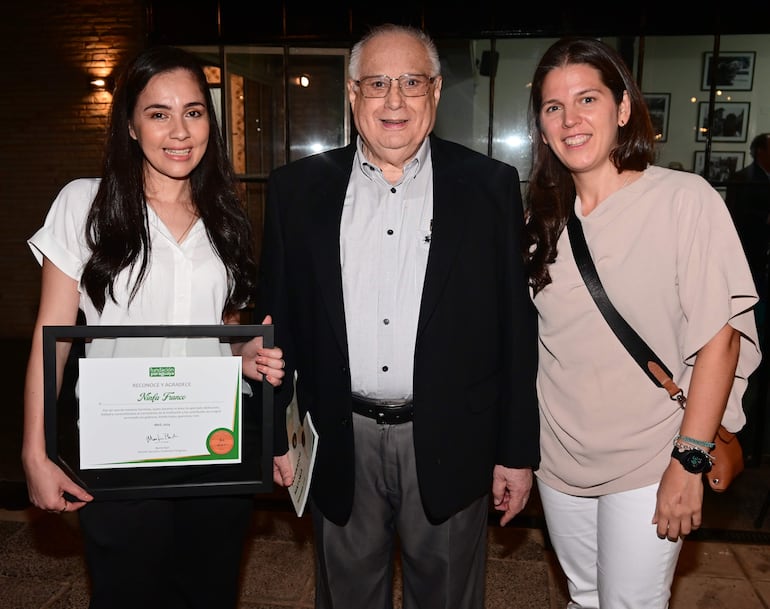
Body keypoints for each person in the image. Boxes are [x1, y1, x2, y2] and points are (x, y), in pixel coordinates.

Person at [260, 23, 539, 609]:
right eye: (377, 84)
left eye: (411, 82)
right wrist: (273, 436)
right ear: (353, 94)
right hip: (337, 438)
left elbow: (516, 331)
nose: (394, 101)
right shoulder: (295, 192)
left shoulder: (489, 187)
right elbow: (276, 326)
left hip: (451, 439)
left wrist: (515, 452)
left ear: (435, 93)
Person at [22, 45, 286, 609]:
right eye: (158, 113)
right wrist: (35, 452)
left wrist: (243, 357)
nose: (180, 131)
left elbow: (223, 328)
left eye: (193, 112)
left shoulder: (226, 213)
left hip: (214, 442)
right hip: (120, 445)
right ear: (131, 125)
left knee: (209, 593)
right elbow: (53, 340)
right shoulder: (83, 205)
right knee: (125, 594)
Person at [523, 36, 762, 608]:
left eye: (587, 100)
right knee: (584, 597)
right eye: (553, 107)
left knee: (630, 603)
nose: (570, 120)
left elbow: (719, 339)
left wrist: (689, 460)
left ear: (622, 108)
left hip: (653, 454)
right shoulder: (541, 219)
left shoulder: (684, 199)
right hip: (560, 456)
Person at [726, 133, 770, 298]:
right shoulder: (743, 178)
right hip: (750, 250)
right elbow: (736, 212)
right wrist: (765, 217)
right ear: (760, 152)